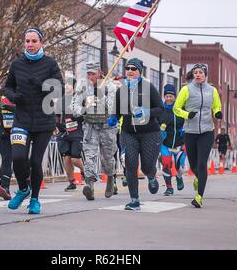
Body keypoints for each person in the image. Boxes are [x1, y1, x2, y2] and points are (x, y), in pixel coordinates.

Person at [4, 27, 63, 214]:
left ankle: (35, 200)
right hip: (21, 120)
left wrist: (43, 86)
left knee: (36, 162)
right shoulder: (17, 64)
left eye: (33, 41)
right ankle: (23, 189)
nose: (30, 45)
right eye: (27, 41)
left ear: (41, 43)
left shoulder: (50, 64)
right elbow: (7, 88)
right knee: (18, 157)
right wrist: (14, 97)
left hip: (44, 122)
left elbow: (58, 89)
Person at [113, 58, 164, 210]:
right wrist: (112, 118)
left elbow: (160, 109)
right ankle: (134, 200)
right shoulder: (121, 90)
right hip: (128, 133)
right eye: (127, 68)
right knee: (131, 164)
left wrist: (146, 112)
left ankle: (151, 175)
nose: (129, 71)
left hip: (150, 133)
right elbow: (116, 112)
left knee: (147, 166)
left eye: (133, 69)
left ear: (140, 72)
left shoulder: (148, 87)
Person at [174, 63, 222, 208]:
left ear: (205, 75)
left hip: (207, 131)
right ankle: (198, 177)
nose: (198, 75)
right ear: (193, 74)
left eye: (201, 72)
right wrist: (187, 114)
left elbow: (216, 106)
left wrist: (217, 112)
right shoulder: (186, 89)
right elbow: (176, 108)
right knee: (193, 164)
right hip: (190, 132)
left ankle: (199, 196)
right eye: (196, 72)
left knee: (202, 163)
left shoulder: (212, 91)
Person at [72, 62, 118, 201]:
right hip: (90, 126)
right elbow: (75, 105)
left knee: (108, 157)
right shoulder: (83, 86)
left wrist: (100, 97)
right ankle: (89, 185)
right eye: (88, 74)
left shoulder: (109, 86)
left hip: (106, 127)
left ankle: (110, 178)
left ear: (99, 72)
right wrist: (84, 109)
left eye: (93, 73)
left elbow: (111, 107)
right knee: (89, 155)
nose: (90, 76)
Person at [55, 77, 85, 191]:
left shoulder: (78, 98)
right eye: (65, 84)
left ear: (74, 86)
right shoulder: (61, 100)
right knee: (66, 158)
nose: (67, 86)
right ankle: (72, 182)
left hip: (77, 132)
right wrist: (57, 124)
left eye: (69, 84)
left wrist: (77, 117)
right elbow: (56, 115)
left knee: (75, 159)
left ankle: (84, 171)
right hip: (64, 133)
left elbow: (84, 113)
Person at [158, 84, 186, 196]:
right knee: (166, 165)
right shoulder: (160, 110)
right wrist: (160, 131)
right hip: (165, 144)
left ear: (175, 97)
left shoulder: (180, 109)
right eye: (167, 96)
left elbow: (188, 120)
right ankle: (169, 187)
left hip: (179, 144)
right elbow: (155, 123)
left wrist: (184, 130)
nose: (169, 98)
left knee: (179, 166)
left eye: (171, 96)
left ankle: (179, 177)